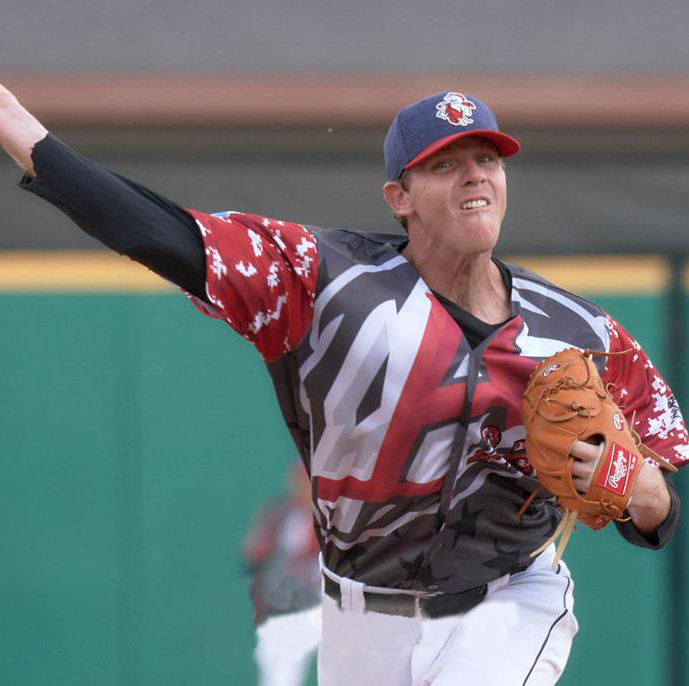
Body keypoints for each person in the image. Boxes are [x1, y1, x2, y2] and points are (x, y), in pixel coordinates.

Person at [1, 84, 686, 685]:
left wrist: (642, 492)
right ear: (400, 198)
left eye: (486, 159)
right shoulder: (322, 282)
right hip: (359, 615)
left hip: (509, 598)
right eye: (443, 165)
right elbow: (166, 235)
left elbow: (658, 506)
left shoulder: (582, 334)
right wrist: (23, 132)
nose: (474, 177)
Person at [243, 463, 321, 686]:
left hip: (333, 605)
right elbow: (252, 555)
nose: (302, 485)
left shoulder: (336, 515)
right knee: (280, 674)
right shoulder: (281, 512)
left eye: (307, 479)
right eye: (299, 478)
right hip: (292, 605)